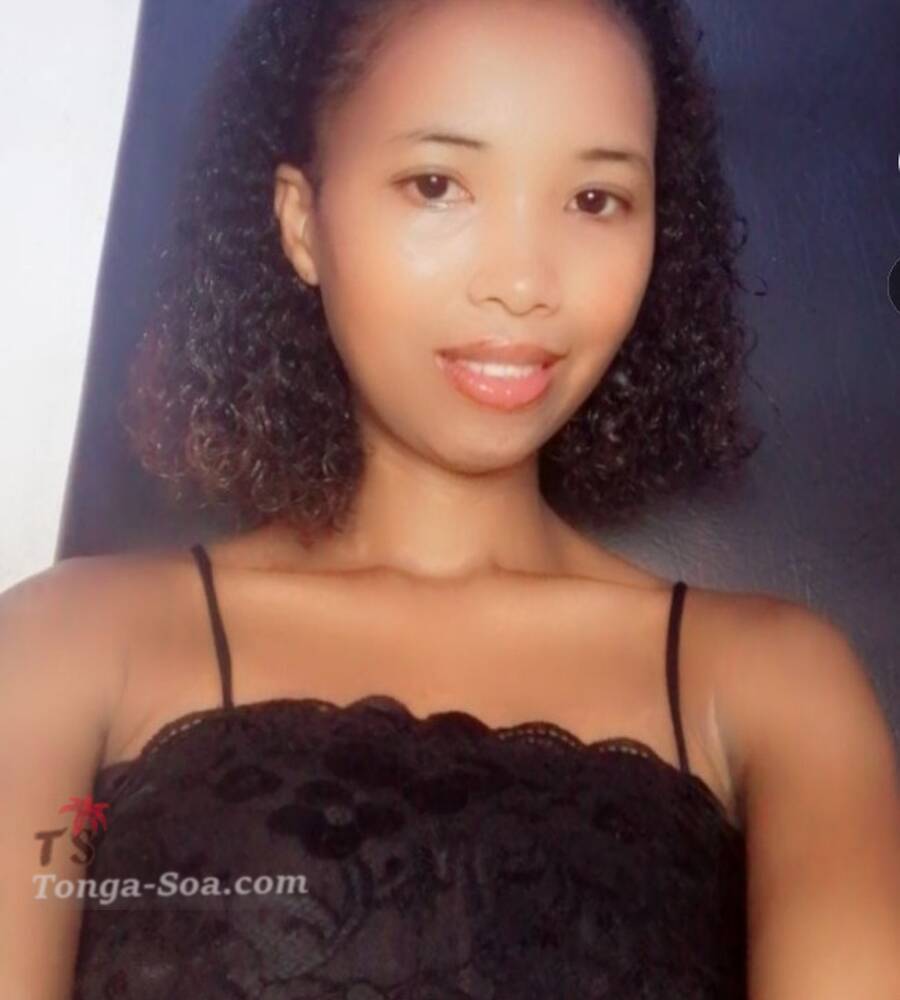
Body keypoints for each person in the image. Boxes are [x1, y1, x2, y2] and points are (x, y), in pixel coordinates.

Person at [1, 0, 898, 996]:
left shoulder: (777, 686)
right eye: (437, 184)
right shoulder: (64, 646)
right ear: (302, 223)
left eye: (595, 199)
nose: (523, 282)